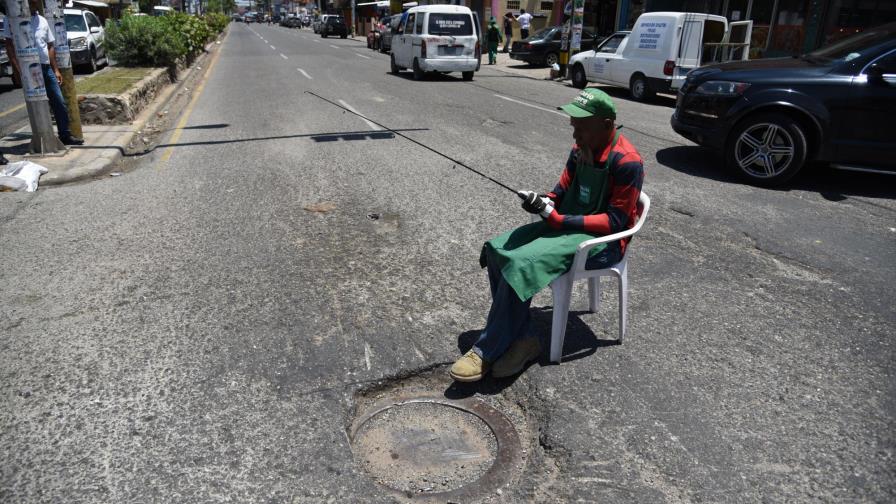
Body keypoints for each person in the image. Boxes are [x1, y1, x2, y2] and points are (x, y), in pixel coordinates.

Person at [449, 88, 645, 382]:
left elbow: (616, 222)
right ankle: (525, 338)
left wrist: (561, 218)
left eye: (582, 129)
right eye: (573, 127)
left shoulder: (627, 161)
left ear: (607, 125)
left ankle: (487, 349)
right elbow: (561, 191)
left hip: (601, 244)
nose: (576, 136)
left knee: (521, 263)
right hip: (566, 225)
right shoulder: (579, 151)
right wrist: (542, 201)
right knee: (497, 249)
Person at [3, 0, 83, 145]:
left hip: (46, 68)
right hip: (27, 68)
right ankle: (41, 137)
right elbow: (9, 45)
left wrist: (56, 69)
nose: (33, 4)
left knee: (58, 101)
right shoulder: (12, 19)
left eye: (35, 2)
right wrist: (17, 70)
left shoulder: (42, 21)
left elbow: (50, 46)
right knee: (37, 105)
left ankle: (64, 134)